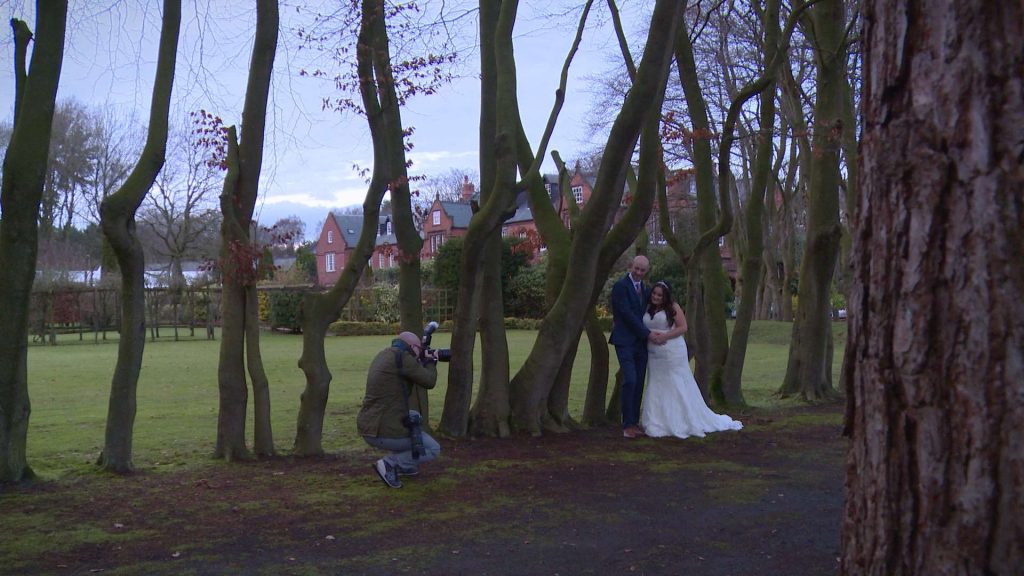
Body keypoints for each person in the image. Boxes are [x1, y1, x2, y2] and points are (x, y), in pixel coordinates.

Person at [640, 281, 743, 438]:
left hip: (671, 350)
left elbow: (683, 327)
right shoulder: (648, 308)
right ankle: (657, 419)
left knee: (675, 382)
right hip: (654, 354)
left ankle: (680, 418)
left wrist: (664, 336)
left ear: (665, 296)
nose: (656, 297)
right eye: (654, 294)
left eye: (659, 295)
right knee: (657, 382)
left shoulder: (673, 307)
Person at [357, 331, 442, 488]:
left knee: (414, 416)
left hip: (369, 422)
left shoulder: (385, 355)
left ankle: (406, 466)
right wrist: (431, 360)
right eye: (419, 348)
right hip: (379, 429)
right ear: (412, 346)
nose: (420, 352)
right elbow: (429, 381)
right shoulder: (403, 358)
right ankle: (390, 464)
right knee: (432, 448)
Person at [609, 255, 665, 439]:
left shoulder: (646, 290)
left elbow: (656, 306)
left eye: (642, 270)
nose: (639, 272)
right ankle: (627, 425)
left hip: (641, 345)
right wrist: (648, 334)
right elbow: (626, 315)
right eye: (636, 268)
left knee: (639, 382)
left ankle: (634, 422)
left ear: (646, 271)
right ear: (631, 266)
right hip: (624, 341)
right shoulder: (620, 287)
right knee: (630, 380)